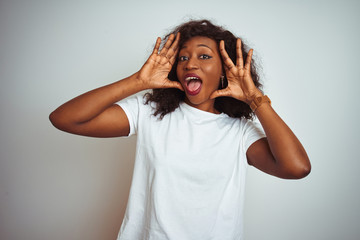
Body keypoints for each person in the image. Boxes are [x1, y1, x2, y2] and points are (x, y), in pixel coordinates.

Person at [50, 19, 311, 240]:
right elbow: (65, 118)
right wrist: (138, 81)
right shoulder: (149, 112)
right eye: (183, 57)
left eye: (204, 56)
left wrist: (254, 98)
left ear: (225, 71)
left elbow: (297, 167)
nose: (190, 64)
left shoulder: (240, 132)